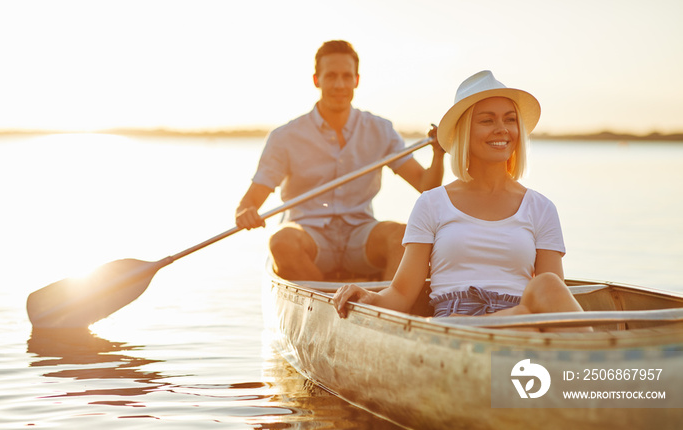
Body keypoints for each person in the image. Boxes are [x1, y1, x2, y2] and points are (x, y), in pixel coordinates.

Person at [333, 70, 590, 332]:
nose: (501, 129)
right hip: (453, 329)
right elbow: (401, 293)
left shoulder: (541, 208)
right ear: (464, 131)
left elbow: (555, 301)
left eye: (510, 119)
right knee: (522, 315)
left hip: (521, 326)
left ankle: (581, 354)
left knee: (546, 284)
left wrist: (520, 315)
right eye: (487, 121)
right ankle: (602, 362)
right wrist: (368, 297)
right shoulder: (432, 204)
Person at [236, 40, 445, 281]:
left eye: (347, 76)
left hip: (360, 234)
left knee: (402, 236)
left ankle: (387, 308)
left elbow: (426, 185)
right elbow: (251, 200)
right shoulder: (285, 137)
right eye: (331, 76)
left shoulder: (381, 129)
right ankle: (330, 303)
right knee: (282, 242)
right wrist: (245, 211)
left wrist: (438, 154)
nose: (339, 84)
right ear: (317, 80)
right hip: (309, 237)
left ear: (356, 80)